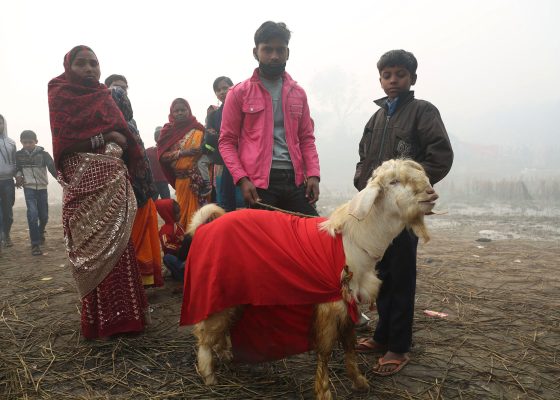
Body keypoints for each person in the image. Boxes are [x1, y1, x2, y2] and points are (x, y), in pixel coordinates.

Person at [353, 49, 454, 375]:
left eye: (400, 74)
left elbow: (440, 155)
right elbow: (363, 156)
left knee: (401, 275)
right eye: (387, 75)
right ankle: (382, 336)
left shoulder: (422, 111)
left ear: (412, 78)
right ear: (380, 79)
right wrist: (363, 183)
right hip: (377, 213)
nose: (393, 80)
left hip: (405, 210)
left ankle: (399, 346)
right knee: (381, 273)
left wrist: (410, 182)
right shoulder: (377, 118)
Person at [48, 45, 149, 339]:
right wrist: (104, 139)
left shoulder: (105, 96)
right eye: (82, 64)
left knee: (119, 246)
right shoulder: (59, 92)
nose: (90, 69)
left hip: (112, 184)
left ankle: (128, 321)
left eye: (94, 63)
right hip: (82, 184)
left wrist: (116, 143)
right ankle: (101, 322)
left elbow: (126, 138)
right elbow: (64, 143)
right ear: (69, 67)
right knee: (91, 249)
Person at [219, 21, 320, 215]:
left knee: (310, 235)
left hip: (296, 181)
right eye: (267, 50)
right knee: (265, 242)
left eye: (280, 50)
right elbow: (226, 142)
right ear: (256, 52)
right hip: (259, 185)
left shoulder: (298, 93)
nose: (274, 56)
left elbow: (307, 138)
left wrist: (314, 174)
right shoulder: (238, 93)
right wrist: (242, 179)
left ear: (287, 53)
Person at [107, 76, 163, 288]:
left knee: (143, 235)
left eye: (123, 88)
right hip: (124, 190)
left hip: (142, 187)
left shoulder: (131, 123)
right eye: (114, 90)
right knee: (130, 238)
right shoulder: (106, 127)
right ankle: (132, 284)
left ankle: (144, 281)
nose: (120, 93)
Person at [157, 98, 208, 228]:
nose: (180, 113)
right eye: (176, 111)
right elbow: (162, 157)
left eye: (183, 110)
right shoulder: (167, 131)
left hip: (198, 180)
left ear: (189, 111)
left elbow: (209, 150)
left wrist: (203, 150)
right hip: (182, 181)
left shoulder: (199, 128)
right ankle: (188, 243)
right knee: (184, 216)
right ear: (172, 113)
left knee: (201, 215)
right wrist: (183, 153)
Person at [15, 130, 57, 255]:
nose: (27, 144)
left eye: (30, 142)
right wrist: (18, 176)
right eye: (25, 142)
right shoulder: (18, 155)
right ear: (21, 142)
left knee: (44, 216)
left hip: (42, 189)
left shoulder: (44, 154)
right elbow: (17, 169)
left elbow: (52, 168)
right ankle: (35, 244)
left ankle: (40, 232)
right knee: (33, 215)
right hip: (29, 189)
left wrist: (60, 180)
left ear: (36, 142)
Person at [206, 76, 241, 212]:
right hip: (223, 159)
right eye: (218, 90)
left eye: (225, 88)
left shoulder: (242, 107)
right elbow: (209, 138)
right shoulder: (214, 115)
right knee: (226, 196)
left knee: (243, 196)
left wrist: (218, 135)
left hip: (243, 157)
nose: (221, 92)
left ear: (233, 88)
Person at [154, 198, 188, 281]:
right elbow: (166, 245)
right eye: (177, 213)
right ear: (168, 213)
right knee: (167, 258)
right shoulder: (165, 230)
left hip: (184, 256)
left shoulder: (178, 226)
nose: (180, 215)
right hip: (177, 256)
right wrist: (180, 248)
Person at [0, 114, 16, 248]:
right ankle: (2, 237)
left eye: (0, 123)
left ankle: (6, 233)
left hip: (8, 182)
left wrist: (19, 175)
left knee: (8, 211)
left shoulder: (11, 143)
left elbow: (16, 162)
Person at [146, 127, 170, 199]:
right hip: (157, 182)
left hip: (158, 182)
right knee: (166, 201)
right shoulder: (149, 151)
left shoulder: (148, 151)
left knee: (155, 203)